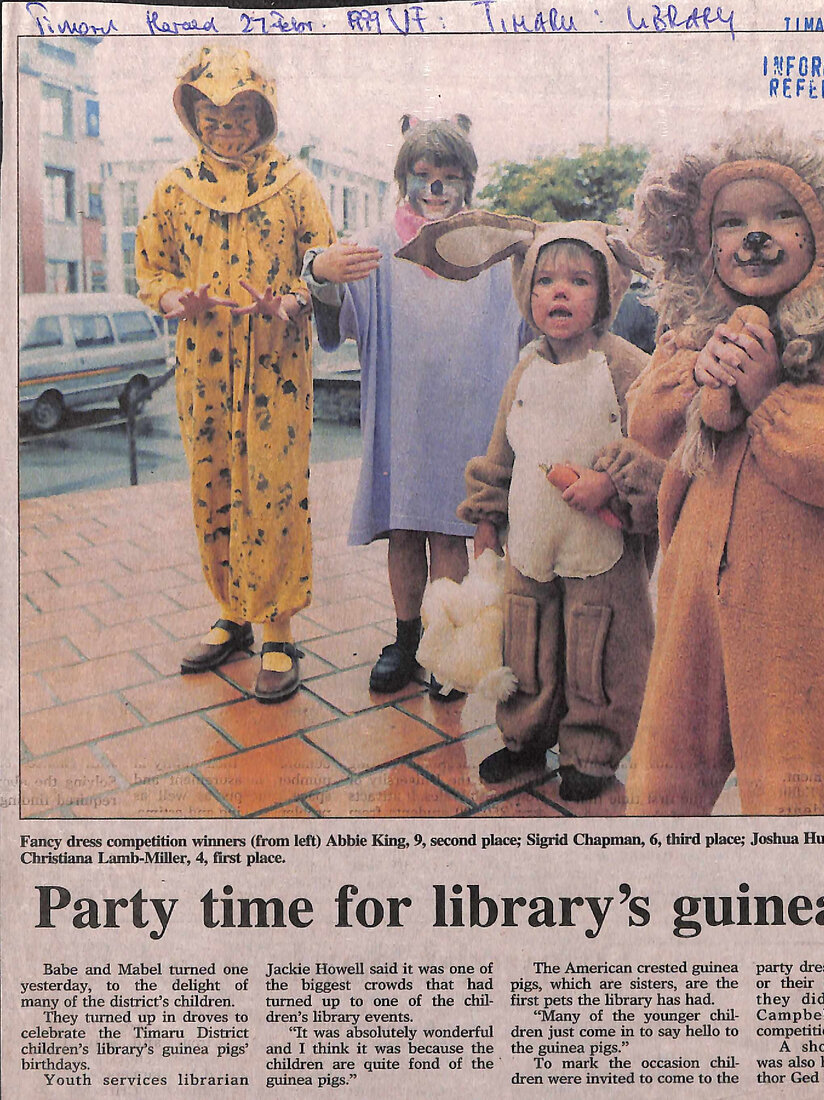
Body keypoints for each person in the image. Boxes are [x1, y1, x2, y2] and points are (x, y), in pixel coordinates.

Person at [624, 131, 824, 815]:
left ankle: (802, 892)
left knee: (793, 766)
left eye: (780, 215)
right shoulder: (698, 320)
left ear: (822, 228)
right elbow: (646, 424)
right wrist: (696, 375)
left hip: (791, 596)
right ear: (706, 241)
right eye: (733, 222)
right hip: (692, 579)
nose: (755, 236)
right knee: (667, 757)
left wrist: (767, 397)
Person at [401, 212, 662, 800]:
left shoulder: (626, 366)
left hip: (604, 543)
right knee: (527, 641)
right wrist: (488, 515)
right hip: (530, 539)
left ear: (608, 293)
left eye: (579, 281)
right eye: (544, 281)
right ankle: (523, 738)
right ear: (526, 294)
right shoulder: (525, 367)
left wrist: (611, 485)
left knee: (602, 646)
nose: (559, 292)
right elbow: (503, 448)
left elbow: (654, 448)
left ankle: (591, 750)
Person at [136, 46, 335, 702]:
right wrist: (173, 300)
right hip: (204, 365)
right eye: (213, 116)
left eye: (240, 114)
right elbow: (152, 268)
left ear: (263, 112)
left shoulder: (295, 182)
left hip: (276, 362)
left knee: (273, 489)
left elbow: (322, 263)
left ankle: (276, 630)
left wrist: (292, 300)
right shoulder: (173, 187)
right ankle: (233, 614)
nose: (227, 128)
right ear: (191, 113)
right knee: (214, 484)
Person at [303, 115, 523, 700]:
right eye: (423, 174)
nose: (435, 188)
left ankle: (443, 645)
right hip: (402, 415)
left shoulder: (492, 247)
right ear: (403, 177)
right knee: (404, 532)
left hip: (466, 416)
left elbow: (526, 314)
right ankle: (404, 640)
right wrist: (320, 275)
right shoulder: (378, 243)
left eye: (448, 176)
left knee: (451, 534)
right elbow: (340, 311)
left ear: (468, 182)